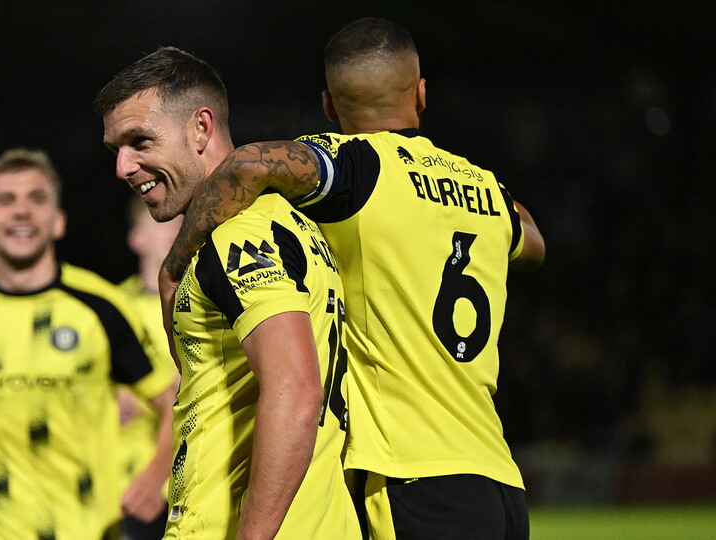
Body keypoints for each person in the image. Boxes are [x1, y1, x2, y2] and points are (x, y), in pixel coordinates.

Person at [157, 19, 546, 540]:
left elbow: (249, 163)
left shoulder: (357, 168)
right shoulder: (485, 188)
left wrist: (176, 262)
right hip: (497, 479)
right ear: (421, 93)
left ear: (329, 106)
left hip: (410, 478)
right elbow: (533, 242)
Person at [97, 47, 359, 540]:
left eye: (140, 142)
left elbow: (297, 391)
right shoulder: (287, 222)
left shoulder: (234, 237)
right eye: (117, 150)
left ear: (201, 128)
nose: (124, 167)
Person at [0, 149, 177, 540]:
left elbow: (173, 403)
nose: (22, 211)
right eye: (5, 200)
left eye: (37, 199)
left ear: (59, 221)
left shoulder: (102, 309)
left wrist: (154, 478)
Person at [116, 198, 182, 540]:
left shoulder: (205, 305)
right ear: (136, 238)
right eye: (159, 222)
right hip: (125, 487)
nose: (171, 230)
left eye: (178, 221)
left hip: (188, 487)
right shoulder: (112, 309)